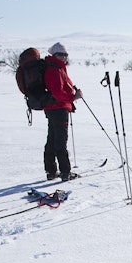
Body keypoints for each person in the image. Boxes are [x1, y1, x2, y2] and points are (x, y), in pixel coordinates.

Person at [42, 42, 83, 181]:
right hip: (58, 108)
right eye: (61, 54)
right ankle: (65, 172)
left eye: (66, 55)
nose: (64, 57)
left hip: (53, 108)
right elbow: (58, 93)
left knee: (52, 139)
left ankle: (51, 171)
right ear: (54, 55)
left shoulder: (56, 67)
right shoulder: (54, 69)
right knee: (60, 141)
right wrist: (73, 97)